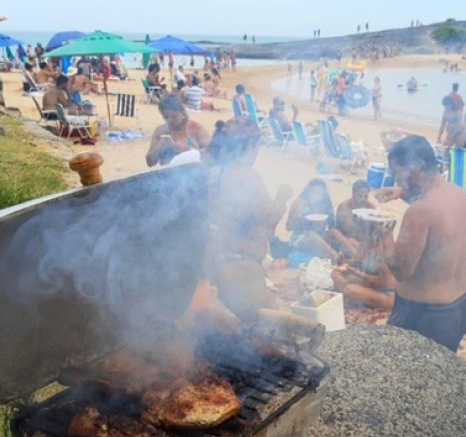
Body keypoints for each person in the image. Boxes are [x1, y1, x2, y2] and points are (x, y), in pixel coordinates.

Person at [375, 136, 466, 353]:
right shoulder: (460, 196)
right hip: (461, 305)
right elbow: (437, 220)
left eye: (396, 172)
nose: (395, 179)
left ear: (412, 169)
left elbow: (401, 270)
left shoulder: (419, 211)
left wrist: (385, 235)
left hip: (426, 315)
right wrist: (401, 192)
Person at [208, 118, 292, 321]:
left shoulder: (215, 173)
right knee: (266, 324)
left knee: (235, 323)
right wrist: (282, 197)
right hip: (244, 268)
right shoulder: (249, 176)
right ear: (250, 146)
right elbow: (268, 219)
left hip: (219, 261)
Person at [331, 218, 398, 310]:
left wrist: (357, 273)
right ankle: (360, 300)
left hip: (386, 294)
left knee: (351, 289)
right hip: (369, 285)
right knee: (335, 274)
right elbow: (355, 261)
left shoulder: (384, 251)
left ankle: (362, 300)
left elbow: (382, 282)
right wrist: (343, 261)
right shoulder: (366, 245)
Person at [287, 179, 358, 259]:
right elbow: (288, 227)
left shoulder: (324, 204)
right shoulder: (299, 203)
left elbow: (332, 226)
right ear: (307, 192)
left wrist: (345, 240)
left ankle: (356, 258)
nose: (316, 196)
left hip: (320, 238)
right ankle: (337, 259)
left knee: (334, 232)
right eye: (313, 192)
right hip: (300, 239)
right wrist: (300, 220)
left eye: (319, 194)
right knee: (313, 236)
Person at [146, 94, 211, 167]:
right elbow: (150, 163)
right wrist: (158, 148)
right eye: (166, 117)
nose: (170, 120)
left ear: (182, 112)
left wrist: (187, 149)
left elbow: (210, 153)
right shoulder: (161, 131)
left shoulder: (196, 128)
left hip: (193, 171)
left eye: (174, 116)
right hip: (168, 172)